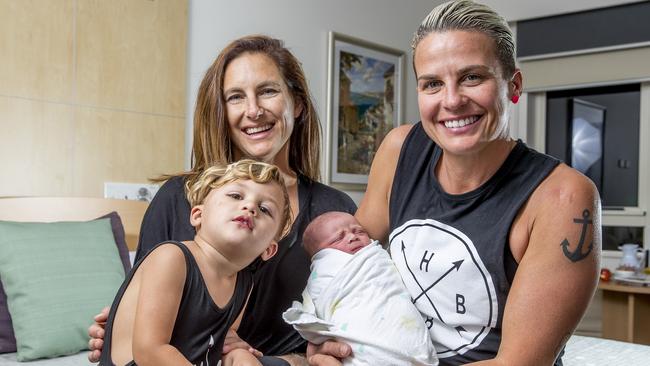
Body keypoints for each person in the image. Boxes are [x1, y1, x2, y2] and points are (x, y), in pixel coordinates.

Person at [345, 1, 602, 365]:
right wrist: (330, 336)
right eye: (432, 83)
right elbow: (350, 264)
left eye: (472, 77)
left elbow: (518, 364)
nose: (451, 100)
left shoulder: (563, 198)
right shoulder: (400, 150)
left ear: (513, 86)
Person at [88, 35, 357, 366]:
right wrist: (120, 325)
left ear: (297, 104)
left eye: (268, 91)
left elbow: (357, 316)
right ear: (197, 213)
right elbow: (147, 321)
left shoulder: (336, 213)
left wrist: (307, 356)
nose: (253, 110)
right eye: (235, 97)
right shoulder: (176, 197)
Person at [99, 160, 292, 366]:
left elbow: (224, 341)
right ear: (198, 215)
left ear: (268, 250)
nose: (250, 206)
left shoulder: (244, 284)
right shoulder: (171, 258)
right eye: (236, 196)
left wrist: (240, 356)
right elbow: (150, 351)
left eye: (264, 209)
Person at [283, 212, 438, 366]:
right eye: (338, 238)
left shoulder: (376, 255)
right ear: (320, 255)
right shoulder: (323, 273)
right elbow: (312, 309)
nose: (352, 237)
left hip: (404, 328)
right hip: (359, 349)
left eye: (359, 231)